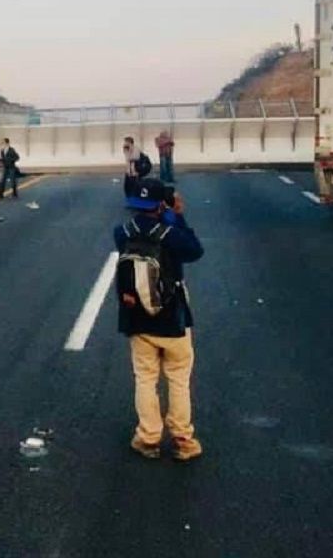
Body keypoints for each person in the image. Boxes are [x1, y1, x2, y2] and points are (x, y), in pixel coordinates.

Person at [114, 179, 204, 461]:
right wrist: (177, 215)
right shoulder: (171, 234)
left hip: (137, 318)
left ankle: (148, 437)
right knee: (178, 378)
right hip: (172, 318)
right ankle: (183, 440)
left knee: (145, 378)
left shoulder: (122, 232)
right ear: (161, 204)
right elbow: (195, 250)